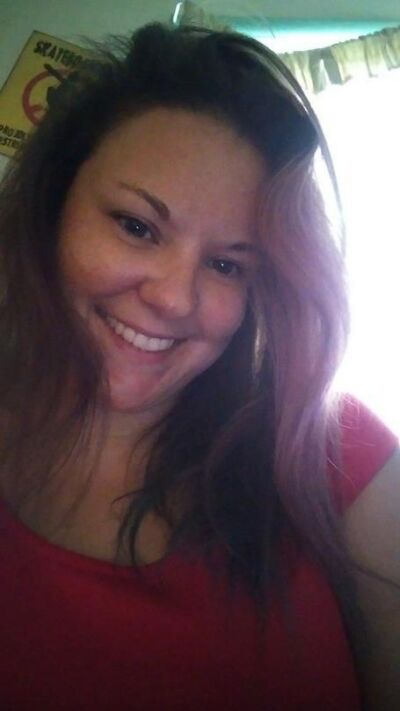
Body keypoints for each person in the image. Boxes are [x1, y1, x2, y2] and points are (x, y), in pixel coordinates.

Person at [0, 21, 398, 711]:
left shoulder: (332, 450)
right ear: (53, 207)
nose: (175, 299)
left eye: (226, 265)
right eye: (136, 226)